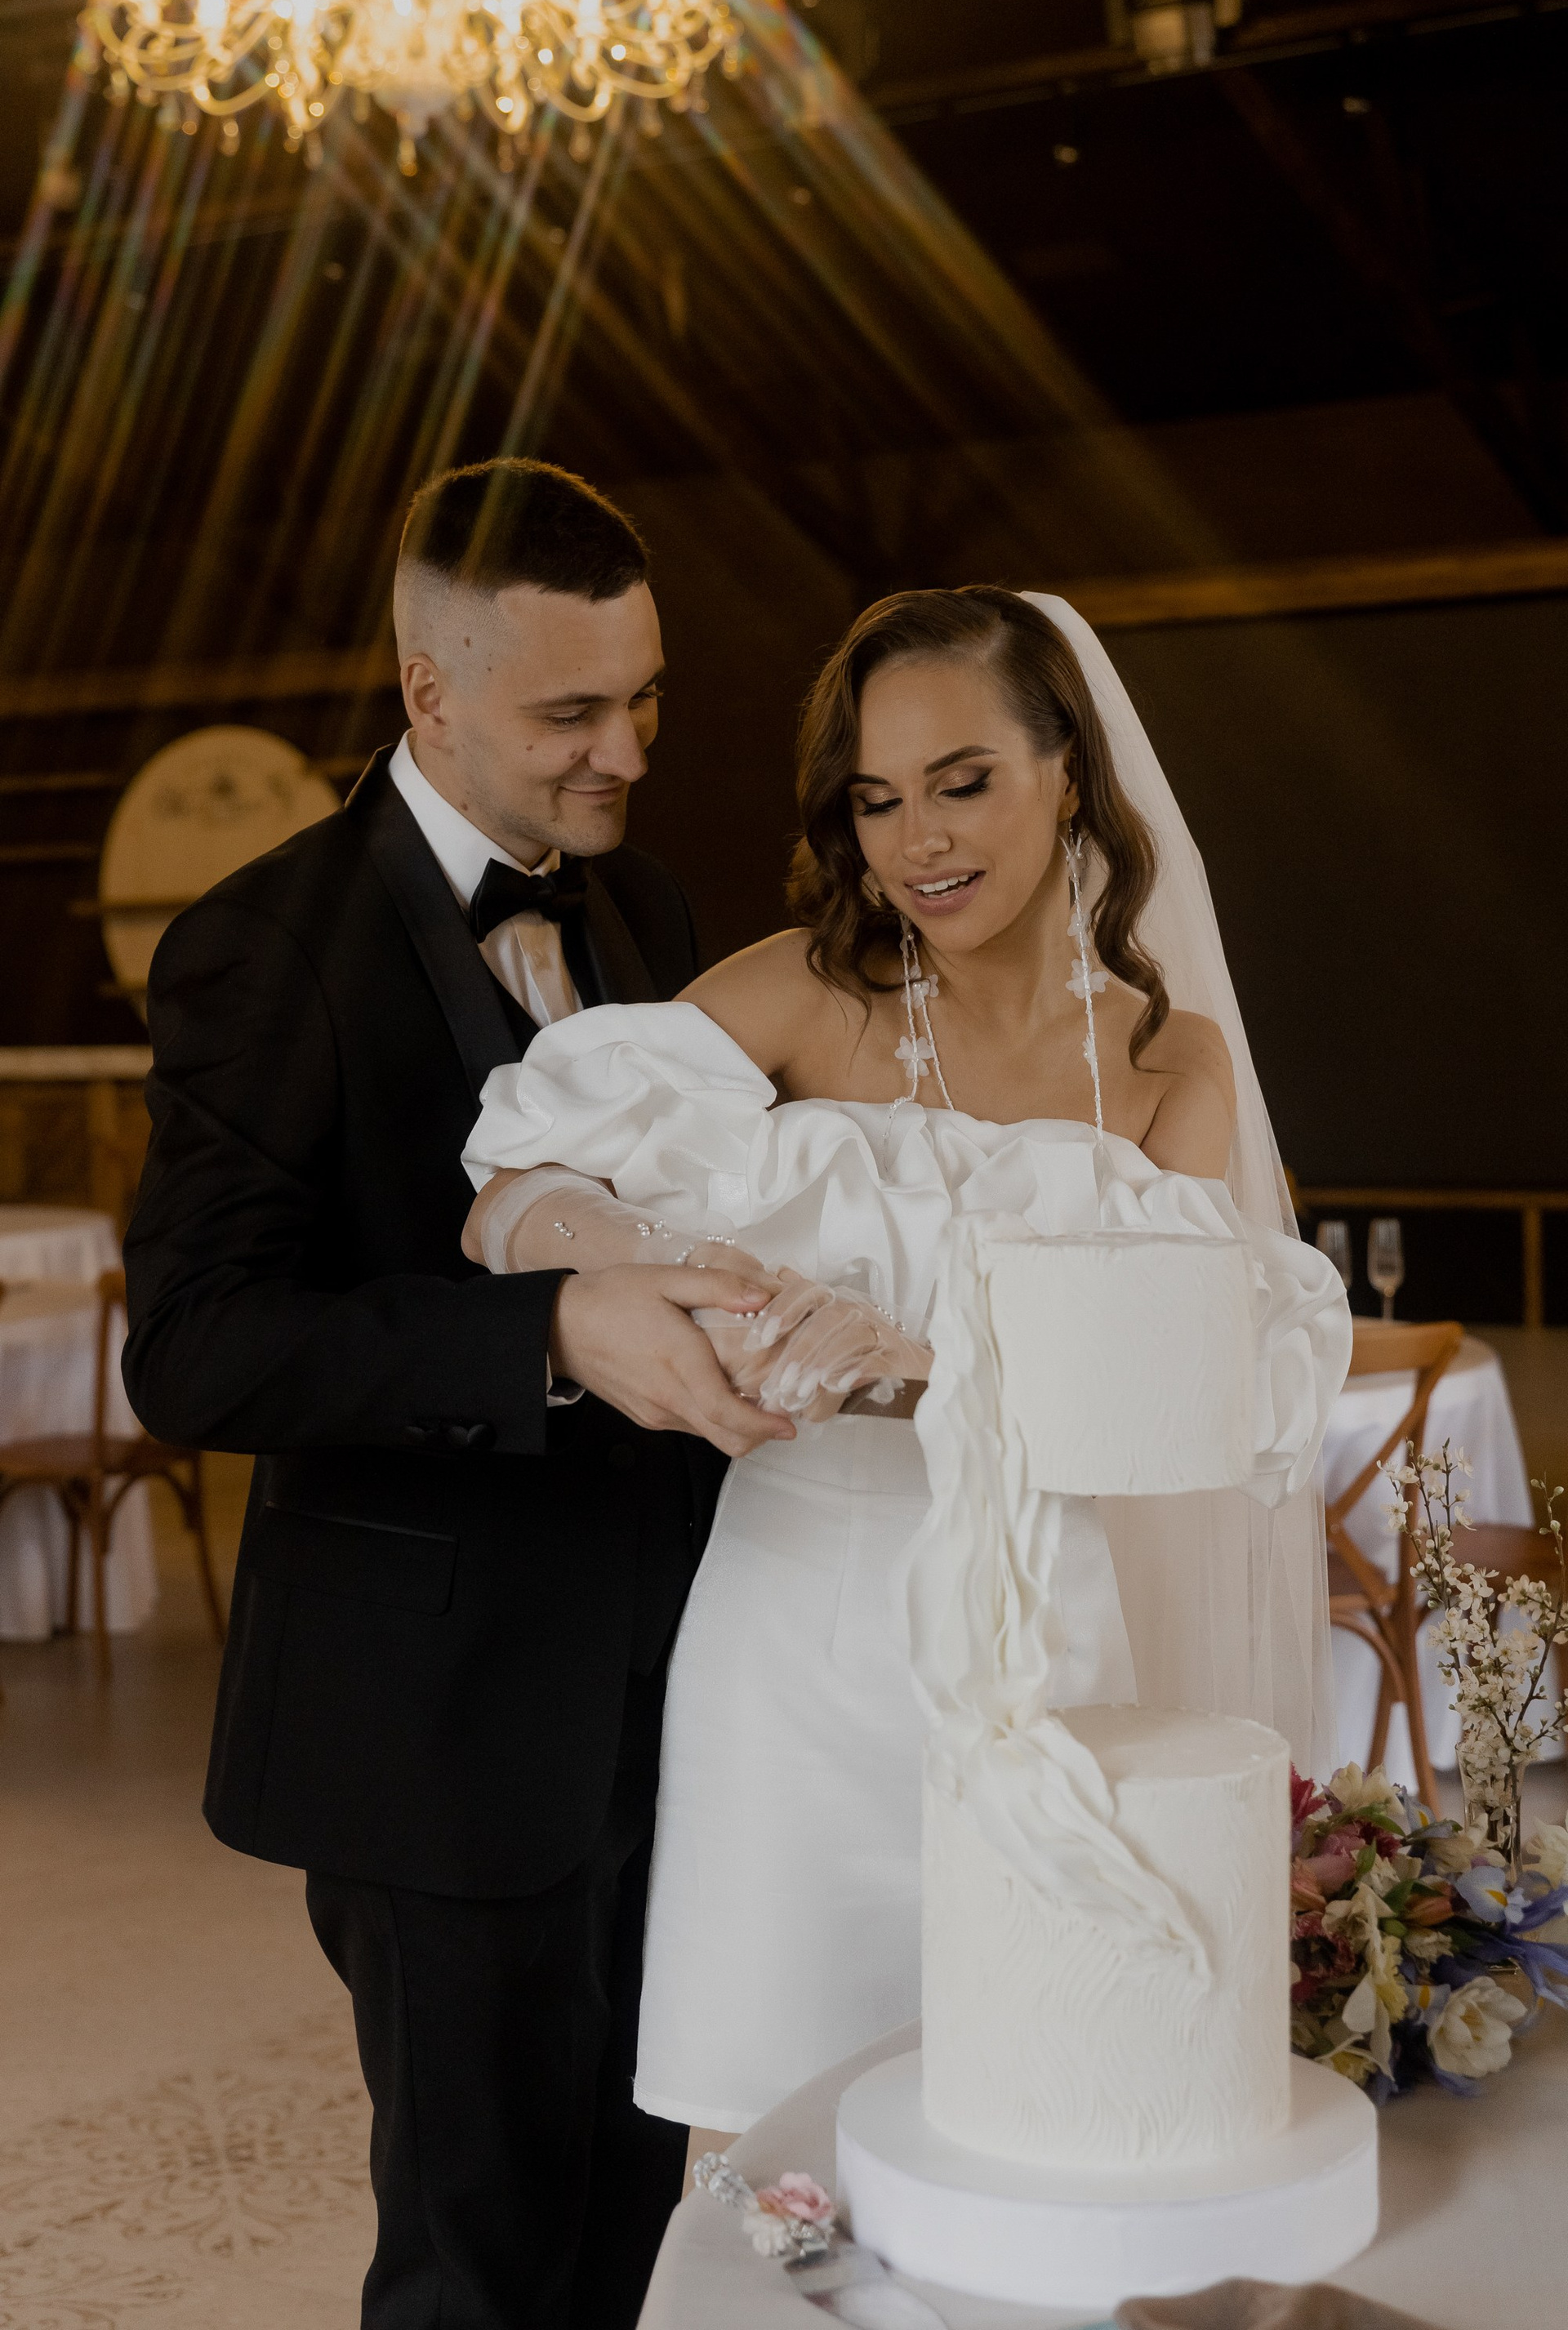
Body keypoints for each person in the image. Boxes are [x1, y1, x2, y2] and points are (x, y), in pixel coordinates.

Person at [463, 586, 1351, 2163]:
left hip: (1049, 1647)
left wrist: (935, 1365)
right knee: (781, 2138)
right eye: (877, 799)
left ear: (1067, 772)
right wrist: (663, 1271)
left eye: (963, 782)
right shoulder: (802, 991)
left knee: (1048, 2108)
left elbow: (1184, 1397)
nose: (919, 841)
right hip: (789, 1654)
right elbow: (514, 1189)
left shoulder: (1169, 1062)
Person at [121, 457, 794, 2330]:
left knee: (628, 2233)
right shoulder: (267, 942)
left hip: (667, 1687)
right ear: (430, 692)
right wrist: (546, 1335)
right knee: (474, 2267)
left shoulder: (649, 907)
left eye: (646, 699)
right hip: (431, 1725)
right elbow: (194, 1345)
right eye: (571, 713)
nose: (626, 753)